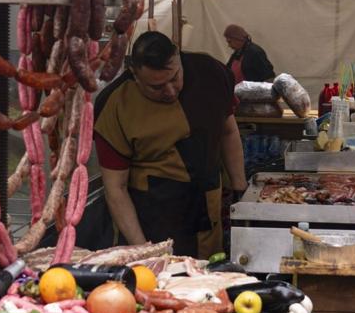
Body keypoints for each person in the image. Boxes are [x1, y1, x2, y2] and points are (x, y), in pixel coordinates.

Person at [94, 31, 247, 258]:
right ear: (134, 75)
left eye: (174, 78)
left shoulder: (210, 72)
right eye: (156, 87)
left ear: (178, 57)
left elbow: (228, 131)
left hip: (208, 206)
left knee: (208, 278)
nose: (170, 91)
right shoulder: (114, 103)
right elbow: (115, 188)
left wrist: (240, 190)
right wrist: (143, 250)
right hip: (155, 216)